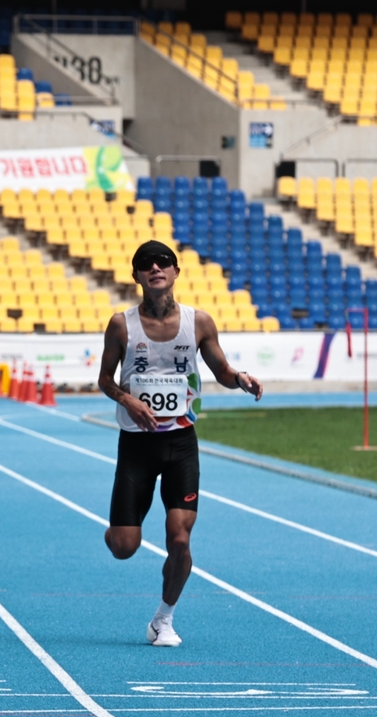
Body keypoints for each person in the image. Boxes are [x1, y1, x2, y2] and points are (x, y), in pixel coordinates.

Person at [97, 240, 263, 648]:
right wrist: (127, 399)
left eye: (164, 263)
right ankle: (120, 528)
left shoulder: (199, 322)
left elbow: (220, 369)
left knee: (180, 537)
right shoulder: (122, 325)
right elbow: (104, 379)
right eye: (146, 264)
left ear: (175, 272)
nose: (156, 268)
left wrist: (239, 377)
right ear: (136, 276)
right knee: (123, 547)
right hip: (136, 445)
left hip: (181, 444)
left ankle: (163, 619)